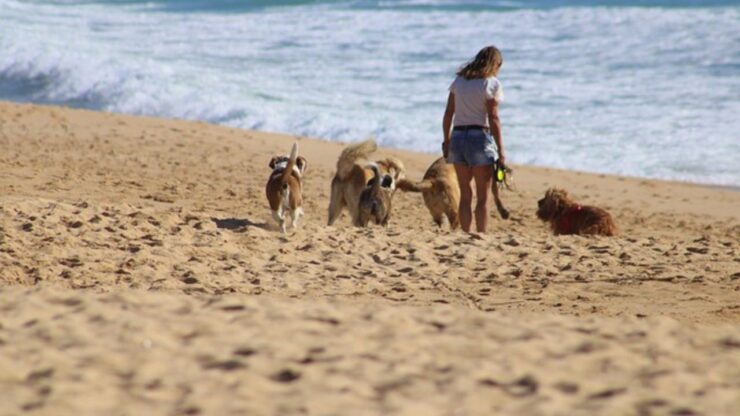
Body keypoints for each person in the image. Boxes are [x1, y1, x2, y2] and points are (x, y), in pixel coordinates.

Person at [442, 45, 506, 233]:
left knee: (465, 194)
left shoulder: (459, 81)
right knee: (483, 197)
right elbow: (493, 118)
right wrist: (501, 151)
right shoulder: (491, 83)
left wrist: (446, 141)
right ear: (495, 63)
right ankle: (481, 236)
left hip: (458, 137)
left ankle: (465, 234)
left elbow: (448, 115)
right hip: (479, 138)